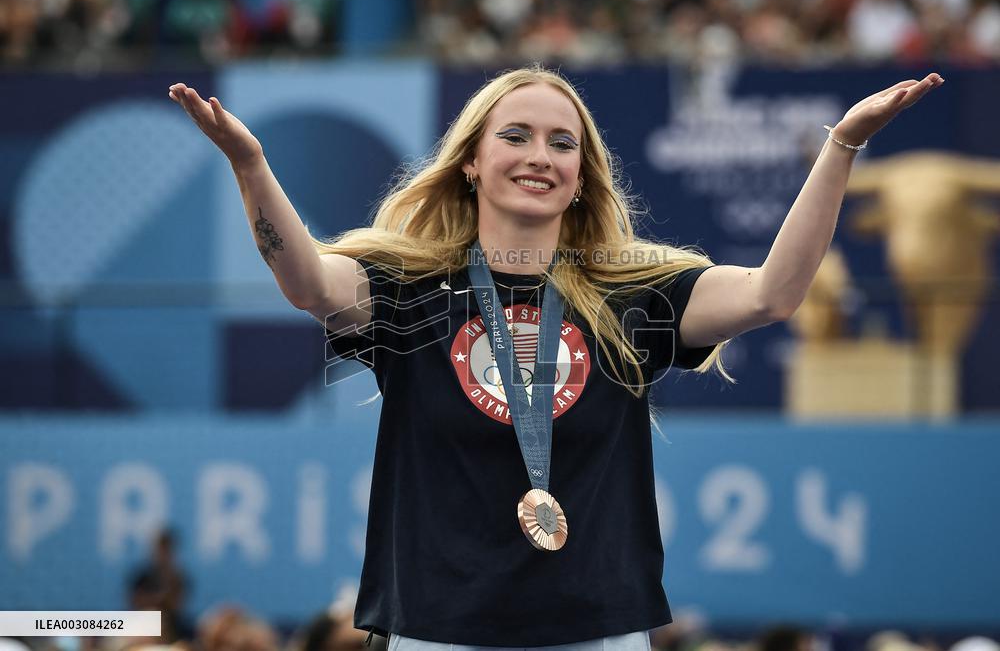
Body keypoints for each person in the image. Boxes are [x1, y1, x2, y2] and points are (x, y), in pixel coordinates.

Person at [167, 65, 942, 650]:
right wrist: (250, 165)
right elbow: (306, 280)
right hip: (440, 627)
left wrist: (840, 147)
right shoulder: (409, 287)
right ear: (471, 160)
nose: (539, 155)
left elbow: (774, 294)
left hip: (596, 627)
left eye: (561, 143)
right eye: (516, 135)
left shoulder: (631, 291)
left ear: (580, 177)